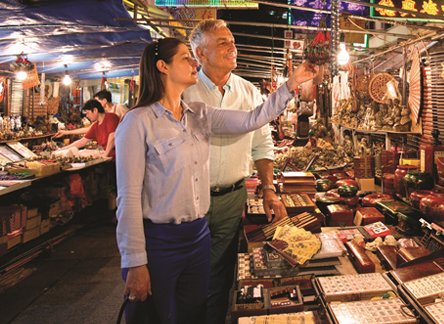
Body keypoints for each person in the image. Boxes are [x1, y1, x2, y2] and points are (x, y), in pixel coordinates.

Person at [115, 37, 317, 324]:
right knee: (150, 317)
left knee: (194, 313)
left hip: (197, 236)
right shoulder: (137, 122)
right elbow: (128, 197)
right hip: (159, 240)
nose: (194, 63)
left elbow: (252, 119)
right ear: (162, 66)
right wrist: (134, 261)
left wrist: (291, 84)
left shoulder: (198, 114)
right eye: (186, 58)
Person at [184, 19, 288, 324]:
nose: (233, 47)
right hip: (190, 198)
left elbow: (262, 143)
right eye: (222, 43)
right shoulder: (185, 91)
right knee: (188, 276)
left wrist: (268, 188)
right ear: (200, 54)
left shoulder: (248, 91)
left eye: (232, 41)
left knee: (219, 277)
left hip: (231, 198)